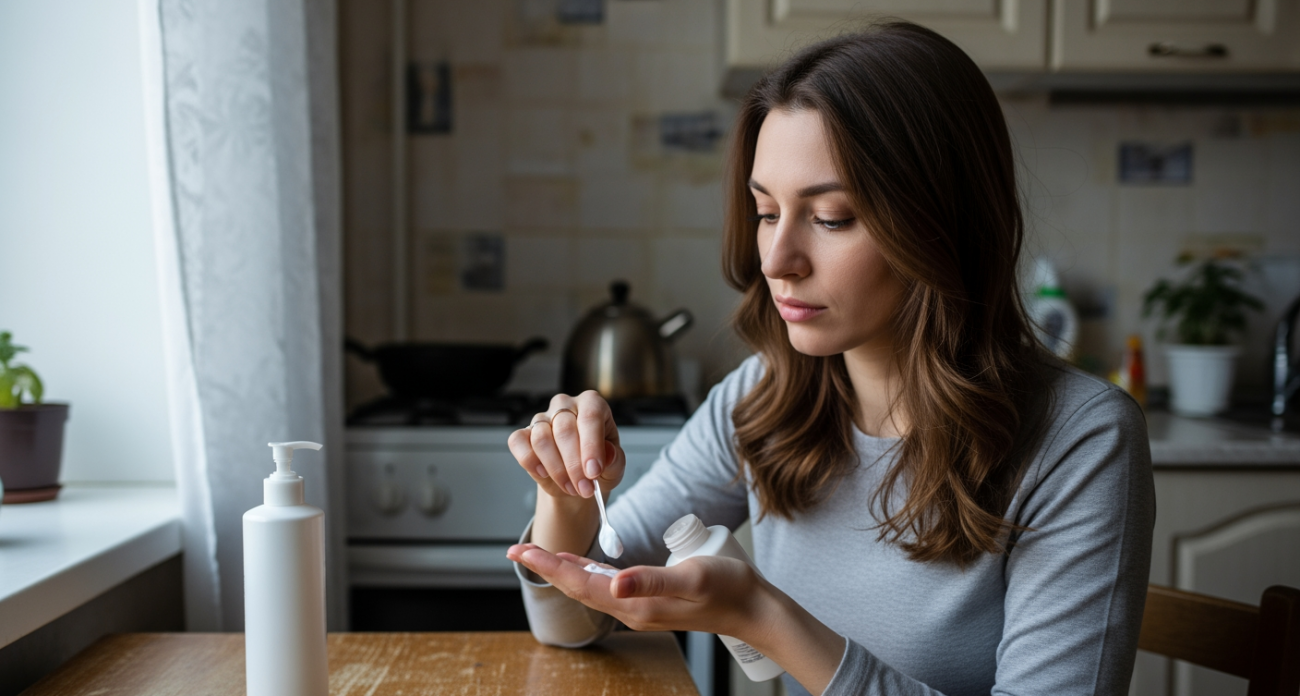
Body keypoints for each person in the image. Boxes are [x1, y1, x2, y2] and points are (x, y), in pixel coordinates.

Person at [505, 21, 1154, 696]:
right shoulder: (765, 397)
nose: (778, 262)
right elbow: (571, 626)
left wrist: (765, 617)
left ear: (941, 223)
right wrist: (567, 502)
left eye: (832, 217)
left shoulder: (1081, 438)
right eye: (765, 212)